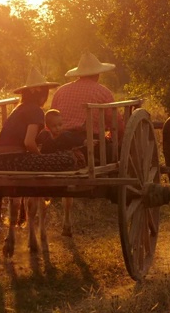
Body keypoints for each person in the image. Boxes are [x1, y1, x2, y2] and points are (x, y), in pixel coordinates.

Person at [50, 51, 120, 236]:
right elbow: (116, 123)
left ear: (79, 74)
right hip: (91, 148)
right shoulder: (103, 92)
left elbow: (51, 118)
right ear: (97, 74)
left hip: (59, 145)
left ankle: (66, 220)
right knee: (117, 150)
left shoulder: (61, 91)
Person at [0, 68, 83, 172]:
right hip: (12, 159)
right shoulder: (35, 110)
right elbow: (29, 142)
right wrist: (40, 156)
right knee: (68, 159)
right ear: (42, 95)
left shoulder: (20, 108)